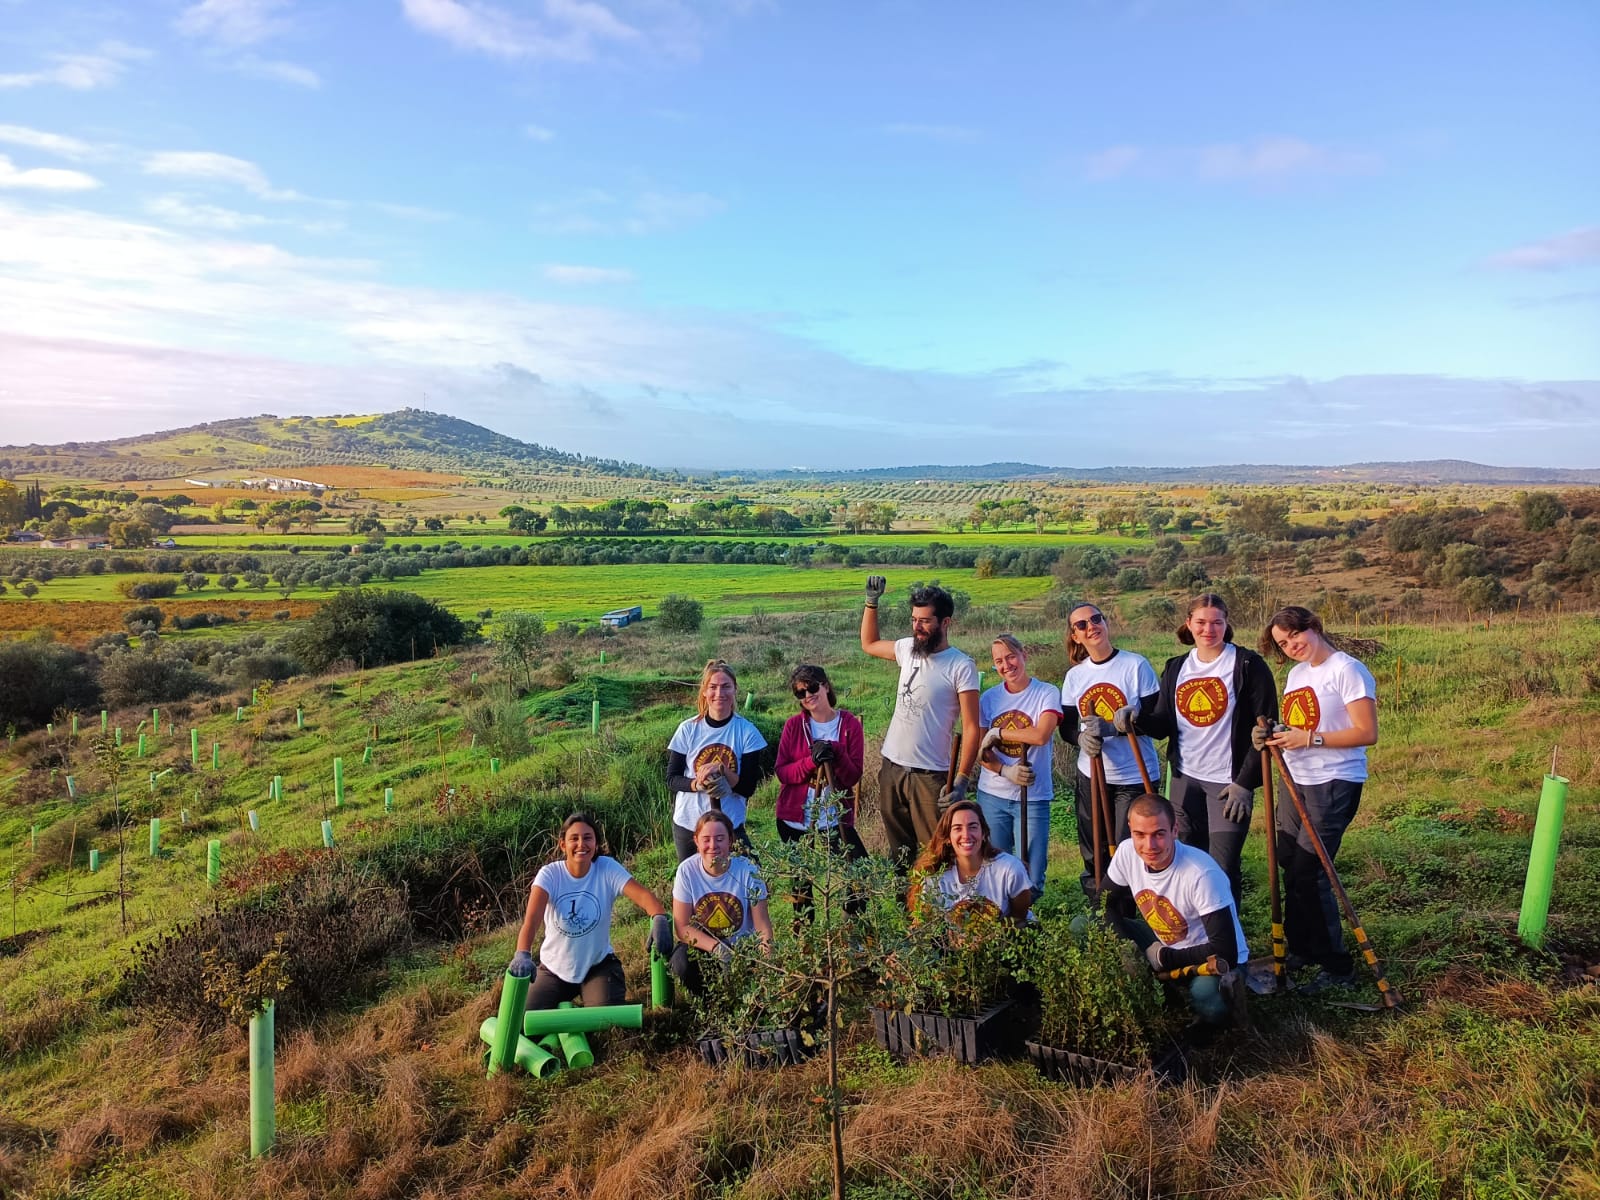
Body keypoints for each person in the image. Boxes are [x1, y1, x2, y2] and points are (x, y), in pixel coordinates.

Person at [1122, 594, 1278, 905]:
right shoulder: (1177, 667)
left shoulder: (1247, 665)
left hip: (1228, 784)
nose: (1209, 629)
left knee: (1222, 868)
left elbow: (1266, 728)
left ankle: (1229, 945)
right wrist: (1136, 719)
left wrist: (1245, 783)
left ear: (1226, 624)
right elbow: (1163, 724)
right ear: (1189, 625)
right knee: (1186, 862)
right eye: (1202, 622)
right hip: (1184, 781)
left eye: (1217, 622)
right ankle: (1194, 936)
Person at [1255, 605, 1378, 989]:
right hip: (1297, 779)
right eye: (1282, 643)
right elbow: (1299, 724)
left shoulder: (1347, 670)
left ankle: (1337, 966)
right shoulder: (1295, 675)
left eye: (1294, 635)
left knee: (1313, 872)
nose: (1291, 646)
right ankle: (1303, 948)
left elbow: (1366, 732)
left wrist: (1310, 739)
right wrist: (1274, 734)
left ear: (1313, 626)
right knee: (1293, 865)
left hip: (1334, 782)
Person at [860, 577, 981, 870]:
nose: (917, 627)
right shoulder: (907, 649)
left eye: (925, 621)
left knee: (934, 852)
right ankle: (906, 910)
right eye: (914, 620)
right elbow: (870, 643)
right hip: (892, 769)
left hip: (930, 776)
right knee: (898, 852)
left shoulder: (961, 666)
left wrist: (961, 780)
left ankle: (934, 913)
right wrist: (871, 603)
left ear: (945, 622)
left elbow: (972, 728)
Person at [1102, 793, 1248, 1034]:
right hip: (1162, 944)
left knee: (1203, 994)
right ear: (1130, 830)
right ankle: (1159, 993)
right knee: (1082, 924)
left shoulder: (1200, 874)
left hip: (1213, 958)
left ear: (1175, 830)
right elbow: (1103, 902)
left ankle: (1213, 1022)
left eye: (1159, 834)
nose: (1149, 846)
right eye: (1140, 835)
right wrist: (1125, 947)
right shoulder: (1127, 852)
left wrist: (1165, 958)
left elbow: (1226, 951)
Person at [508, 812, 672, 1010]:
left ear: (595, 843)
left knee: (604, 1023)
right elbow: (531, 921)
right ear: (562, 845)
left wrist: (659, 917)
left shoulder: (607, 868)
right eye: (574, 839)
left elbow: (645, 897)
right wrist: (522, 953)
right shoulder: (550, 875)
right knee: (526, 1021)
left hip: (598, 966)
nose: (581, 844)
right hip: (554, 969)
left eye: (587, 838)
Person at [1058, 602, 1161, 902]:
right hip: (1092, 773)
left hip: (1133, 775)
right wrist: (1080, 739)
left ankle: (1133, 912)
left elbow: (1157, 723)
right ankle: (1101, 912)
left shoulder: (1135, 665)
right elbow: (1066, 727)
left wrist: (1118, 727)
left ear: (1106, 622)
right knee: (1095, 848)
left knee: (1129, 847)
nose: (1091, 626)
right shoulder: (1075, 677)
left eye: (1096, 618)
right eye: (1081, 625)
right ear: (1075, 636)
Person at [772, 663, 869, 920]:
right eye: (800, 693)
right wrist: (810, 762)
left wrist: (835, 752)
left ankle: (851, 930)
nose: (808, 696)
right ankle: (805, 941)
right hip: (795, 819)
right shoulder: (794, 726)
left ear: (826, 686)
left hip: (834, 818)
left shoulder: (849, 725)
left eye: (812, 687)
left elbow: (852, 776)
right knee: (802, 888)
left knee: (860, 872)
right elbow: (782, 771)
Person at [974, 634, 1063, 899]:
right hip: (993, 795)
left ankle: (1026, 920)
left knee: (1032, 872)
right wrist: (1005, 771)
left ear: (1024, 655)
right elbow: (981, 751)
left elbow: (1040, 735)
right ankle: (999, 922)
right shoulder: (988, 699)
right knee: (994, 865)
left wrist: (999, 732)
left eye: (1011, 656)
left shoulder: (1046, 692)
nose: (1006, 665)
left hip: (1033, 797)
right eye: (998, 661)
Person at [666, 659, 768, 862]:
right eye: (712, 687)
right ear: (704, 691)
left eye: (726, 687)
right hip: (689, 825)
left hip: (730, 826)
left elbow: (748, 788)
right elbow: (672, 779)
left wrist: (724, 772)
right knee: (693, 885)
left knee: (750, 878)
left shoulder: (746, 732)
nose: (719, 693)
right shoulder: (688, 729)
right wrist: (697, 784)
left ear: (735, 690)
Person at [670, 810, 774, 995]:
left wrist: (768, 964)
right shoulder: (686, 871)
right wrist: (718, 948)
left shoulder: (749, 870)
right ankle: (707, 1003)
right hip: (705, 946)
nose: (713, 845)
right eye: (706, 839)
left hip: (743, 947)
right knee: (681, 962)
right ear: (696, 841)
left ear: (730, 841)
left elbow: (762, 927)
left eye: (719, 838)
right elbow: (682, 928)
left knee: (756, 988)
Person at [910, 800, 1033, 926]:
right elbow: (923, 927)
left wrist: (988, 937)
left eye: (973, 827)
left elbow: (1020, 918)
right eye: (957, 828)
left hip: (1009, 938)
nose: (966, 835)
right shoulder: (934, 877)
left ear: (984, 833)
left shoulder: (1010, 869)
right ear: (947, 837)